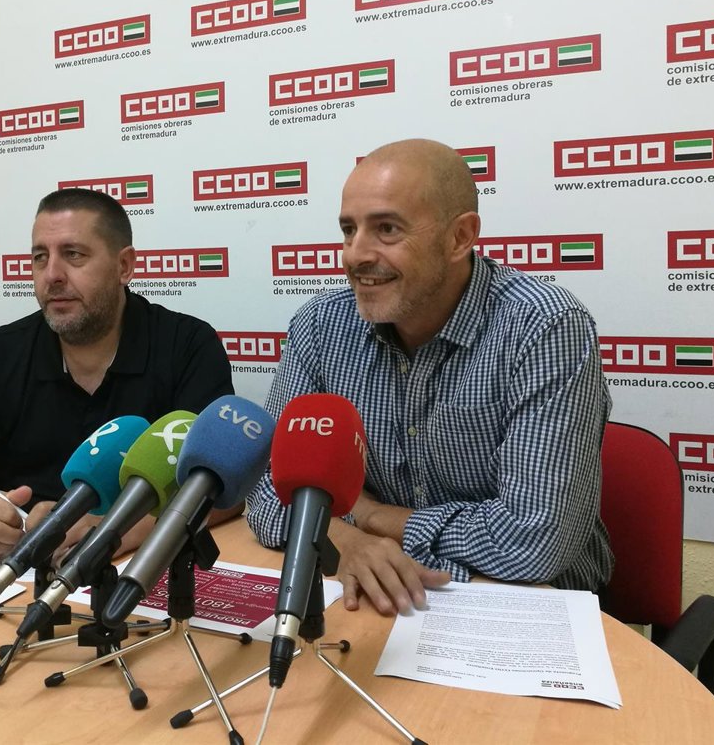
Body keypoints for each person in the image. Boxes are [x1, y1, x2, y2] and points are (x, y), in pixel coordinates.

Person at [246, 139, 613, 615]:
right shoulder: (320, 326)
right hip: (376, 594)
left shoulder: (544, 327)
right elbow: (267, 493)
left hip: (529, 607)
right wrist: (346, 540)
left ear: (460, 237)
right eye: (349, 230)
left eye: (387, 229)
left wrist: (373, 515)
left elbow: (534, 542)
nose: (356, 254)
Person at [0, 188, 234, 563]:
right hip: (18, 567)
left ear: (124, 266)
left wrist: (112, 530)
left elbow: (222, 492)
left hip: (136, 567)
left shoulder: (188, 346)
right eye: (40, 257)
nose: (52, 275)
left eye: (73, 255)